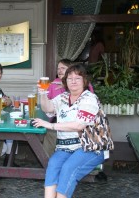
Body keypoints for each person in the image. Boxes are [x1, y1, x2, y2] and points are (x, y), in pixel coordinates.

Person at [32, 64, 105, 198]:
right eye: (69, 78)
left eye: (77, 78)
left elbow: (78, 125)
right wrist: (42, 94)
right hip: (66, 148)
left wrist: (51, 126)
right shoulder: (64, 97)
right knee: (53, 165)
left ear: (84, 81)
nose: (73, 81)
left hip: (89, 148)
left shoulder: (89, 98)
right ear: (65, 81)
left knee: (68, 168)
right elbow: (48, 108)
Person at [44, 59, 94, 156]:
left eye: (63, 68)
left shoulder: (84, 86)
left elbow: (88, 105)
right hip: (57, 120)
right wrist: (42, 93)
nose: (60, 71)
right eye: (58, 69)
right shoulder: (53, 84)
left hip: (79, 126)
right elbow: (48, 105)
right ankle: (48, 162)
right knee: (49, 139)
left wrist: (66, 85)